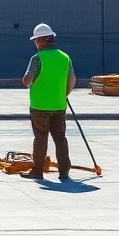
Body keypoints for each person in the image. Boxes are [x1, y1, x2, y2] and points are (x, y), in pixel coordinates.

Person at [21, 24, 76, 180]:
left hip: (40, 106)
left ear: (40, 40)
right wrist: (63, 94)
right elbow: (72, 79)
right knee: (60, 137)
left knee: (41, 137)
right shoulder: (65, 57)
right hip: (59, 104)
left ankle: (37, 171)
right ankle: (64, 171)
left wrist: (27, 80)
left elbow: (27, 81)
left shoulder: (37, 58)